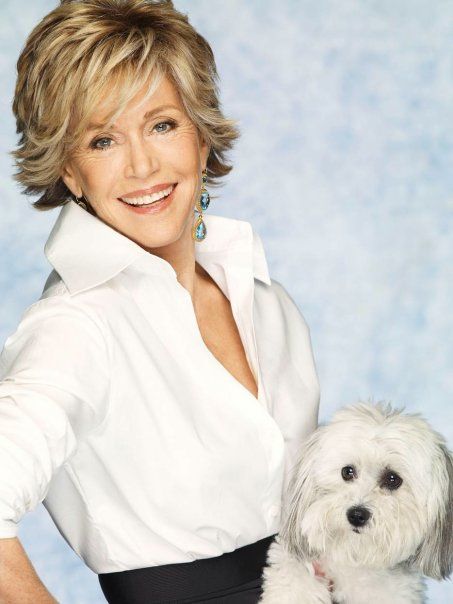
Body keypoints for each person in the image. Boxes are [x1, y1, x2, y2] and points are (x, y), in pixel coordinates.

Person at [0, 1, 324, 602]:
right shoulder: (75, 326)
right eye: (102, 140)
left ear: (200, 135)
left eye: (162, 125)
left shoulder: (263, 297)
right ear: (70, 172)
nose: (142, 165)